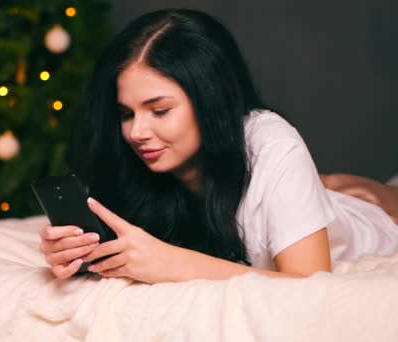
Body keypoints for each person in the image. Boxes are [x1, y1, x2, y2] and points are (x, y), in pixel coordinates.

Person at [38, 9, 398, 283]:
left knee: (374, 197)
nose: (136, 132)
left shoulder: (271, 141)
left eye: (159, 110)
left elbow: (307, 287)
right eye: (126, 113)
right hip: (281, 185)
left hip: (366, 220)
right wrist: (76, 253)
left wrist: (172, 262)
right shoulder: (138, 161)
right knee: (326, 186)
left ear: (209, 101)